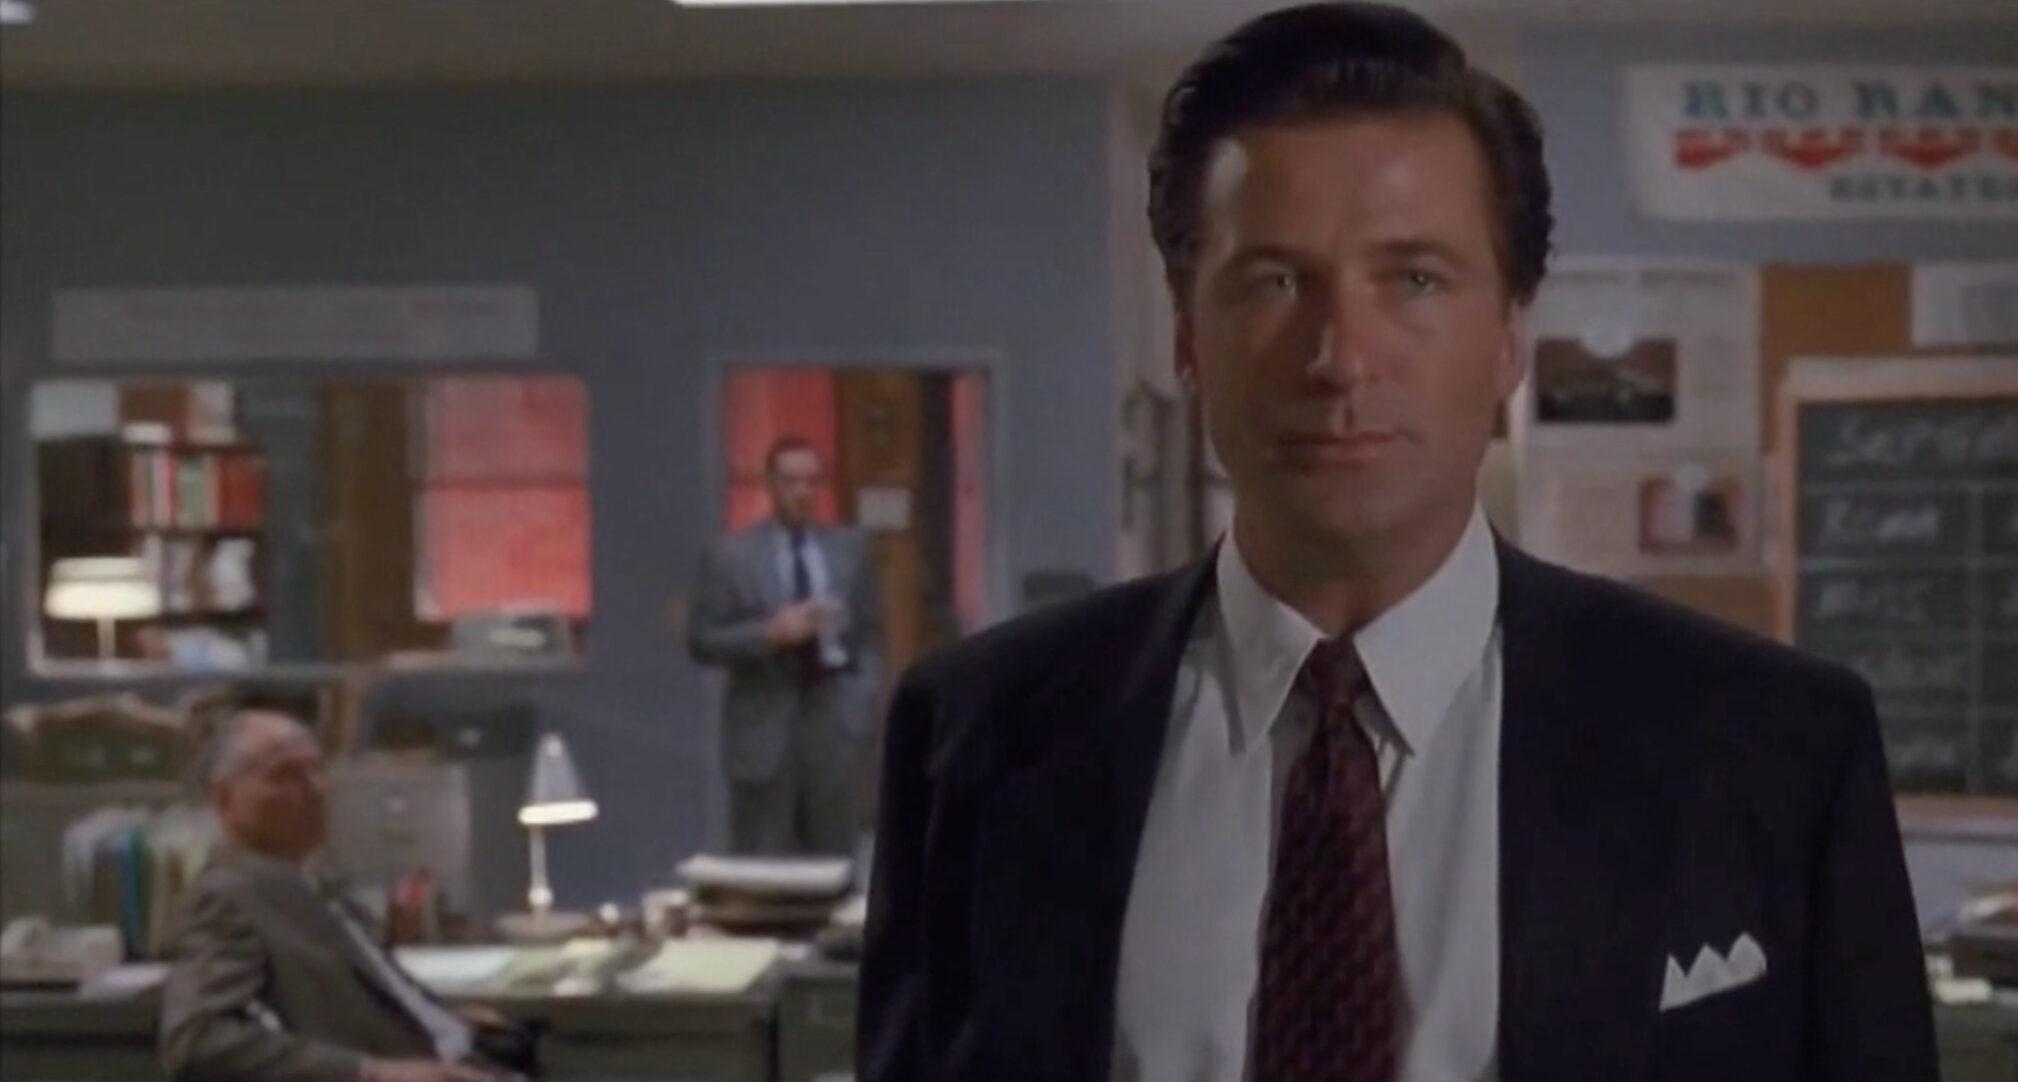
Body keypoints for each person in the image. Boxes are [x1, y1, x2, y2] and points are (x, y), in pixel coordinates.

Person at [854, 5, 1935, 1080]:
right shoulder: (976, 733)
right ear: (1188, 336)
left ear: (1508, 336)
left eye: (1413, 278)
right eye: (1273, 280)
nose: (1339, 355)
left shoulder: (1771, 745)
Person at [160, 708, 537, 1082]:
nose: (315, 789)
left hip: (471, 1053)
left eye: (317, 769)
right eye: (286, 775)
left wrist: (443, 1017)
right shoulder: (228, 897)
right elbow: (197, 1041)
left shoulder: (311, 882)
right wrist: (373, 1073)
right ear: (225, 799)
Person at [687, 435, 884, 856]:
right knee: (763, 861)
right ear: (771, 485)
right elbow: (701, 640)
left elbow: (869, 631)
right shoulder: (731, 556)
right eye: (792, 481)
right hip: (764, 723)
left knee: (835, 859)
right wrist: (769, 633)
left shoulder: (849, 549)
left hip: (834, 719)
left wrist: (863, 699)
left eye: (812, 481)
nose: (802, 492)